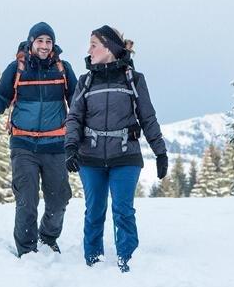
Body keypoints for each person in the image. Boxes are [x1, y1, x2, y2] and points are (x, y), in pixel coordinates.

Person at [64, 26, 167, 273]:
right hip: (90, 157)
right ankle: (93, 261)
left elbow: (147, 117)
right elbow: (74, 117)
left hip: (125, 156)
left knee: (123, 210)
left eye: (93, 45)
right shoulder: (85, 81)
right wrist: (71, 147)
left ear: (109, 48)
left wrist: (160, 152)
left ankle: (128, 260)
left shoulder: (133, 79)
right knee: (94, 210)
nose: (89, 50)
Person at [0, 22, 78, 257]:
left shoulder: (63, 69)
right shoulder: (17, 68)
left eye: (49, 41)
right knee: (27, 199)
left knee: (59, 199)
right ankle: (27, 250)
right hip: (23, 144)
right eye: (40, 41)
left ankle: (48, 237)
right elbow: (2, 97)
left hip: (55, 145)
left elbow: (77, 102)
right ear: (31, 42)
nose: (44, 46)